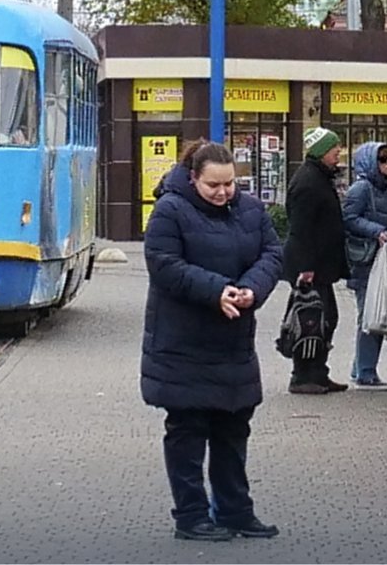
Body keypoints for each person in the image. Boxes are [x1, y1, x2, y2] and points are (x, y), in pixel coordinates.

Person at [141, 139, 283, 542]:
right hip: (182, 343)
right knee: (187, 431)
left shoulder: (251, 210)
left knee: (233, 430)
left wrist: (251, 290)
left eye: (229, 185)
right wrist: (217, 290)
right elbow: (164, 265)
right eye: (213, 186)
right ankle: (191, 516)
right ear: (193, 179)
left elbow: (272, 255)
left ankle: (236, 511)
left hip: (234, 342)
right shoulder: (170, 210)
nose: (223, 193)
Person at [281, 126, 349, 395]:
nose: (338, 154)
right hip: (310, 268)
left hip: (319, 265)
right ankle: (303, 375)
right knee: (313, 318)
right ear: (321, 152)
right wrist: (306, 268)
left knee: (323, 317)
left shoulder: (318, 177)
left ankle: (317, 373)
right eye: (335, 150)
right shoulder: (308, 183)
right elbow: (302, 229)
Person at [343, 141, 387, 390]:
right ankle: (366, 373)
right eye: (382, 159)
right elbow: (348, 219)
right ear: (370, 163)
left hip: (380, 257)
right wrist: (376, 231)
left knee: (370, 314)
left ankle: (360, 367)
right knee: (372, 315)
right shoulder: (361, 189)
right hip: (365, 259)